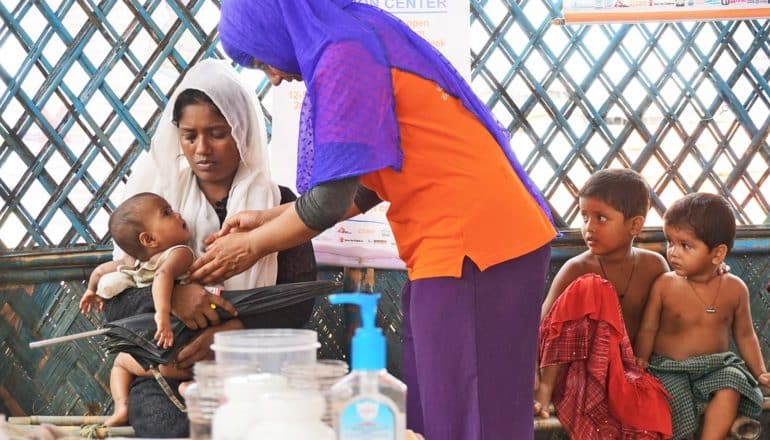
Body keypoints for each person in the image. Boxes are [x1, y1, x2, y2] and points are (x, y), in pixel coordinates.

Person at [194, 2, 557, 439]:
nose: (272, 75)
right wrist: (271, 218)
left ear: (277, 25)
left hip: (475, 244)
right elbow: (366, 183)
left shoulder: (344, 53)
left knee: (469, 418)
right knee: (436, 410)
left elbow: (327, 203)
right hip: (459, 243)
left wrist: (252, 246)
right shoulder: (354, 39)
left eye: (262, 58)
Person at [100, 59, 318, 438]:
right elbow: (115, 306)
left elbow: (297, 304)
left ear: (242, 132)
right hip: (167, 378)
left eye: (217, 133)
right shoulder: (154, 209)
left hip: (256, 370)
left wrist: (232, 331)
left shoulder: (277, 204)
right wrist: (176, 296)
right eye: (189, 136)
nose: (202, 149)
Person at [535, 168, 672, 439]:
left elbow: (679, 300)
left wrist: (713, 273)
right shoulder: (577, 268)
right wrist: (537, 378)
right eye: (584, 217)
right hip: (579, 373)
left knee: (651, 407)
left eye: (601, 218)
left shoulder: (653, 265)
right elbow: (545, 328)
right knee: (592, 287)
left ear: (634, 225)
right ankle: (545, 390)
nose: (589, 228)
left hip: (628, 371)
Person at [635, 192, 770, 440]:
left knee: (733, 382)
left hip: (716, 366)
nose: (673, 252)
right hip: (669, 368)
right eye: (670, 242)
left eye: (685, 245)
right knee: (668, 396)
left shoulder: (735, 288)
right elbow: (648, 329)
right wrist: (640, 361)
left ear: (717, 254)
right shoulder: (665, 285)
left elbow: (745, 334)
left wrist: (760, 371)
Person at [80, 192, 201, 426]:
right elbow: (106, 270)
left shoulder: (164, 256)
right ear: (148, 240)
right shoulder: (178, 253)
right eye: (167, 213)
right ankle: (188, 388)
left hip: (177, 341)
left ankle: (121, 405)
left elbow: (102, 271)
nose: (178, 214)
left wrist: (91, 290)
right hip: (167, 344)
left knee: (119, 364)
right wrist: (92, 289)